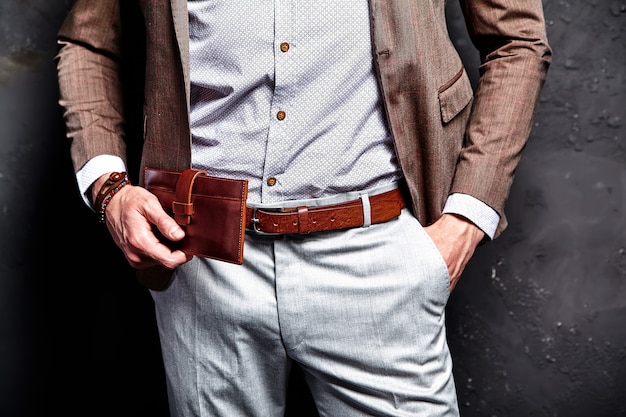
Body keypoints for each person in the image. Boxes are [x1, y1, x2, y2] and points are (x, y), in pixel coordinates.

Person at [55, 0, 551, 416]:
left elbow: (518, 40)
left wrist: (466, 219)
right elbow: (87, 43)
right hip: (198, 258)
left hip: (378, 258)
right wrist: (108, 186)